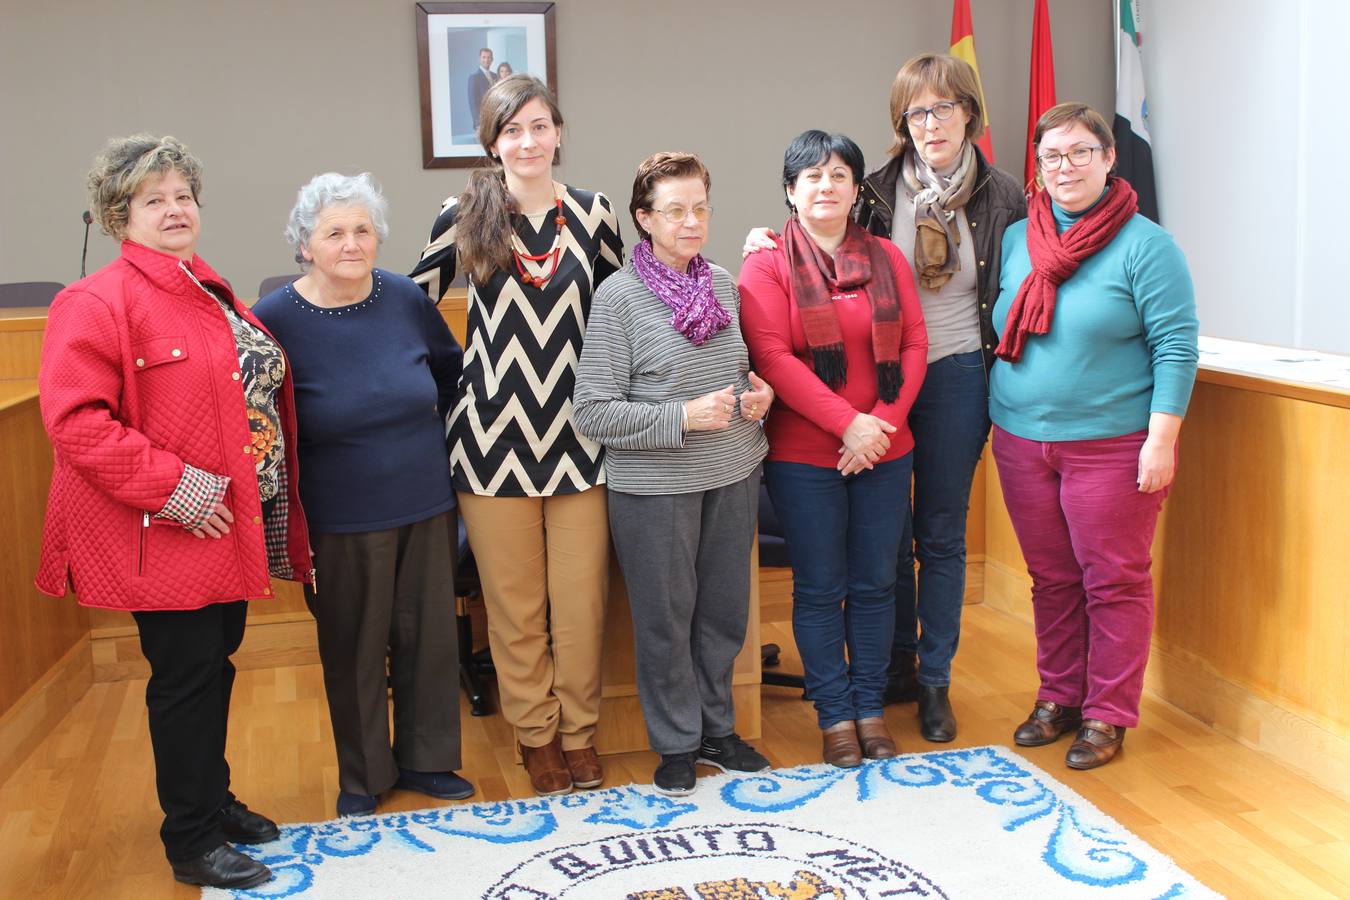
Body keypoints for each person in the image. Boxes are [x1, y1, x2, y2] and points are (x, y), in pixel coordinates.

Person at [36, 135, 313, 890]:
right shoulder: (95, 301)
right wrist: (180, 488)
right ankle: (190, 839)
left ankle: (212, 800)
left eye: (183, 196)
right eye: (153, 200)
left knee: (213, 668)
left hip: (227, 525)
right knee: (186, 678)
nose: (174, 210)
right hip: (167, 525)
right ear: (118, 215)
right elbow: (75, 421)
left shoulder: (204, 287)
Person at [744, 54, 1026, 744]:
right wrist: (760, 240)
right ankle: (884, 675)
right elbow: (810, 233)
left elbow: (1025, 274)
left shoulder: (1004, 195)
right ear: (902, 122)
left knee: (939, 533)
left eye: (944, 108)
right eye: (917, 112)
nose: (930, 123)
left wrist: (880, 424)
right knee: (884, 548)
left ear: (969, 114)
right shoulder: (872, 189)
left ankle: (932, 680)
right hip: (852, 405)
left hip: (953, 373)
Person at [410, 75, 623, 796]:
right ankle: (536, 738)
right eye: (511, 131)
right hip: (489, 442)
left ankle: (580, 733)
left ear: (558, 132)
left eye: (538, 126)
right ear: (493, 143)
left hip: (581, 438)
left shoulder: (594, 214)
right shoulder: (462, 214)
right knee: (515, 605)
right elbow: (409, 309)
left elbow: (632, 305)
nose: (527, 142)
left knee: (580, 601)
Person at [253, 173, 469, 818]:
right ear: (305, 246)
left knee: (429, 638)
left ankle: (428, 761)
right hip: (338, 514)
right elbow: (260, 422)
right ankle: (364, 773)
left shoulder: (404, 297)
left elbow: (450, 373)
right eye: (335, 233)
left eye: (363, 230)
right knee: (352, 645)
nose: (352, 244)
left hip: (426, 499)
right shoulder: (272, 320)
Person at [992, 103, 1198, 770]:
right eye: (1052, 156)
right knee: (1051, 578)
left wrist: (1161, 440)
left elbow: (1175, 347)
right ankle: (1060, 697)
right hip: (1021, 438)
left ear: (1109, 159)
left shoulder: (1147, 245)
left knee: (1112, 579)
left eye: (1081, 152)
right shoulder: (1020, 237)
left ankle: (1108, 713)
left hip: (1112, 443)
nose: (1066, 167)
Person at [573, 152, 773, 796]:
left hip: (734, 471)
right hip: (655, 489)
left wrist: (757, 392)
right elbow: (594, 411)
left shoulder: (719, 282)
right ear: (644, 218)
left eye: (701, 208)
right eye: (675, 211)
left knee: (722, 614)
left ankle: (719, 729)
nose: (692, 222)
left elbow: (735, 369)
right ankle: (677, 742)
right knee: (665, 618)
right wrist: (683, 415)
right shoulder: (619, 298)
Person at [739, 131, 927, 768]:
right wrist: (848, 424)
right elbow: (771, 356)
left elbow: (915, 345)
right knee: (821, 588)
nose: (827, 186)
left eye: (839, 175)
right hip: (804, 455)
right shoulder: (764, 265)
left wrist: (881, 427)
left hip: (883, 449)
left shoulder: (886, 258)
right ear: (791, 191)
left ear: (856, 189)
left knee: (877, 584)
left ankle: (870, 706)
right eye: (812, 176)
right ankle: (834, 713)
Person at [468, 47, 496, 128]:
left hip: (496, 119)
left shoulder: (495, 76)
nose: (486, 60)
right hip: (483, 121)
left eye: (489, 57)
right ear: (479, 59)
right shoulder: (474, 77)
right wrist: (478, 124)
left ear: (492, 59)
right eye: (484, 57)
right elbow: (473, 103)